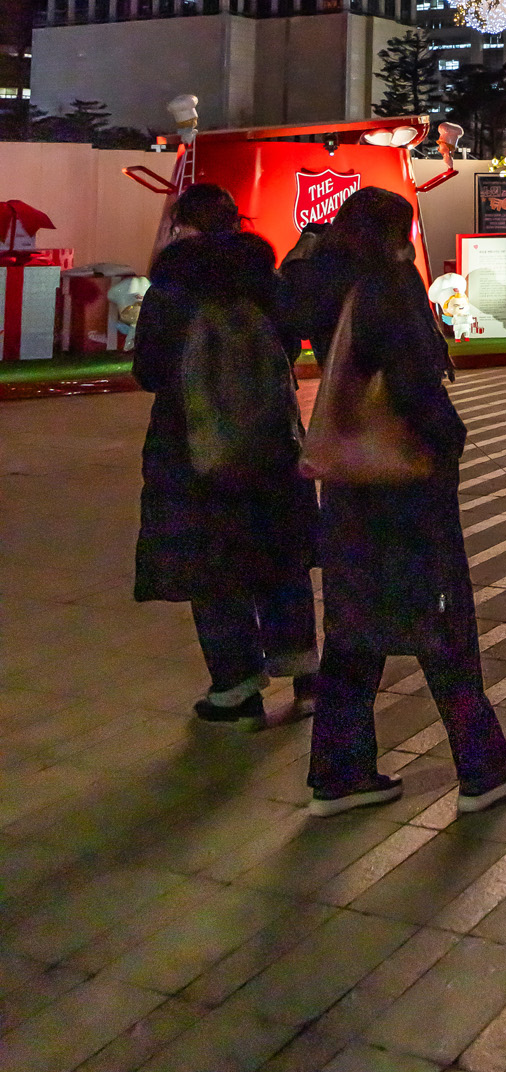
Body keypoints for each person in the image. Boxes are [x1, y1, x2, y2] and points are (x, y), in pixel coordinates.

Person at [283, 186, 506, 817]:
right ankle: (481, 763)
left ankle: (338, 771)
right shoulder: (389, 286)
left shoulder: (324, 283)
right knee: (441, 619)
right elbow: (416, 385)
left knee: (354, 626)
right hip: (404, 481)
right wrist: (451, 440)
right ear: (395, 233)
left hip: (349, 481)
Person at [133, 182, 318, 729]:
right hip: (270, 440)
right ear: (235, 221)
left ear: (182, 226)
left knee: (211, 563)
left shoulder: (171, 287)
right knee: (280, 551)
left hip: (192, 447)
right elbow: (291, 344)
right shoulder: (264, 278)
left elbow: (149, 372)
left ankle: (236, 690)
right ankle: (307, 676)